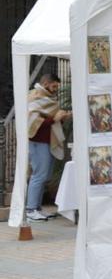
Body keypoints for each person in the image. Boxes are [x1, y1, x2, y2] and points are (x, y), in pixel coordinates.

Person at [26, 73, 69, 222]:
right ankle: (31, 210)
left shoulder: (48, 98)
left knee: (45, 175)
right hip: (38, 141)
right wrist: (54, 119)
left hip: (47, 141)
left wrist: (60, 118)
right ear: (45, 83)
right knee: (39, 175)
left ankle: (37, 208)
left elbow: (48, 120)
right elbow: (31, 122)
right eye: (54, 86)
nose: (56, 89)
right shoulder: (34, 96)